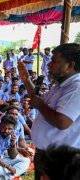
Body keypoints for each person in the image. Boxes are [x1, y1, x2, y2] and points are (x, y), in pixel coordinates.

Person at [17, 43, 80, 180]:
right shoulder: (62, 86)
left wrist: (40, 106)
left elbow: (62, 122)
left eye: (54, 61)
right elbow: (38, 99)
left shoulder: (76, 88)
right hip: (49, 155)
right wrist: (26, 80)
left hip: (61, 161)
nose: (49, 65)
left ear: (70, 65)